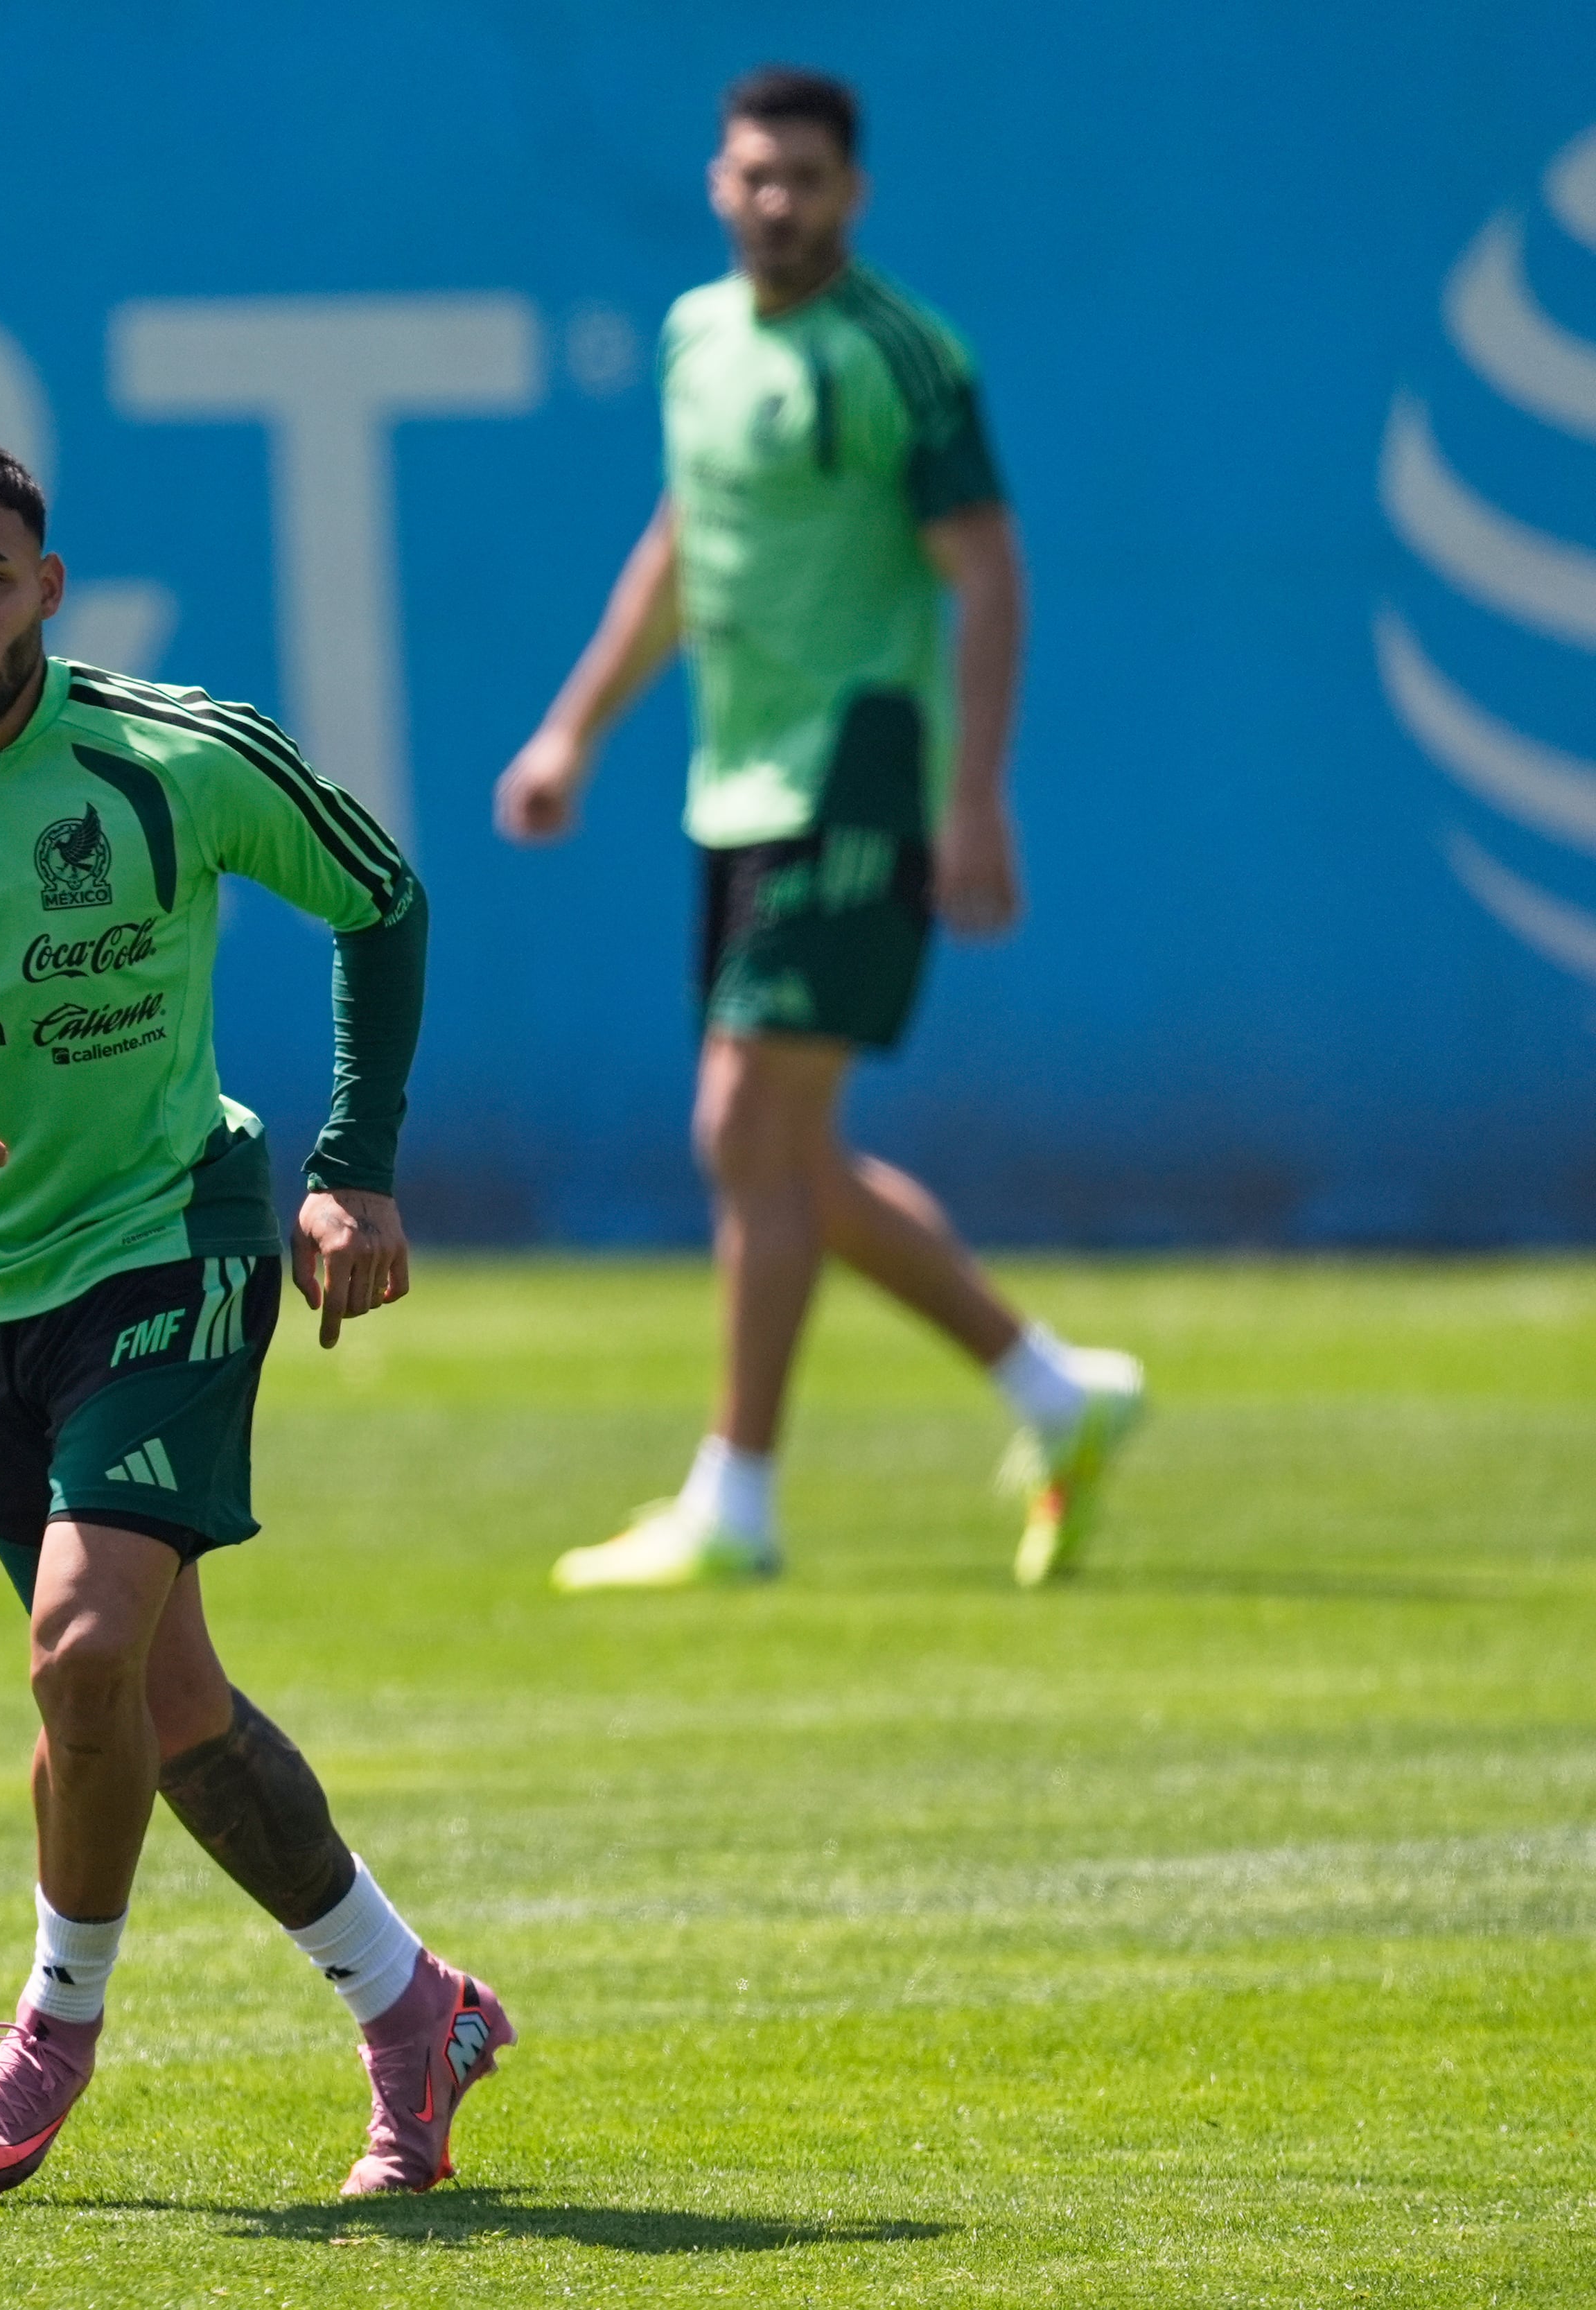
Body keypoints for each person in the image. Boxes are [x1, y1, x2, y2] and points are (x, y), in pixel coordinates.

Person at [0, 432, 507, 2200]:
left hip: (177, 1228)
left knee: (79, 1648)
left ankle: (52, 2022)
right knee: (164, 1704)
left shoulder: (173, 753)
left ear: (46, 589)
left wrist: (351, 1166)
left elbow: (381, 900)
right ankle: (412, 2001)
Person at [494, 67, 1141, 1592]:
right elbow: (678, 546)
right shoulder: (694, 338)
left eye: (804, 179)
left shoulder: (902, 357)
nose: (774, 201)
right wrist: (572, 728)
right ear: (716, 183)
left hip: (858, 770)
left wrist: (970, 798)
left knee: (741, 1132)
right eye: (750, 175)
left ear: (852, 194)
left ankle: (740, 1494)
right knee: (783, 1156)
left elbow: (987, 573)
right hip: (733, 787)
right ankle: (1052, 1384)